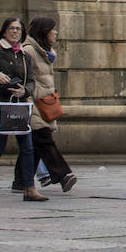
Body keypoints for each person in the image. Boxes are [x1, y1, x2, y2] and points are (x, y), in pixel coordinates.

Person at [0, 18, 46, 202]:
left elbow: (31, 80)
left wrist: (25, 90)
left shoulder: (24, 55)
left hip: (19, 106)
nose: (15, 32)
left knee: (27, 148)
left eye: (18, 29)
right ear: (4, 32)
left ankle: (29, 187)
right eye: (11, 28)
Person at [18, 17, 76, 193]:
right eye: (53, 29)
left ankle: (20, 181)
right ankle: (63, 174)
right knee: (43, 139)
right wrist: (28, 100)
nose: (56, 33)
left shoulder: (46, 52)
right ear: (44, 32)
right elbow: (24, 78)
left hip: (46, 103)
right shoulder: (28, 51)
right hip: (34, 103)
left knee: (36, 145)